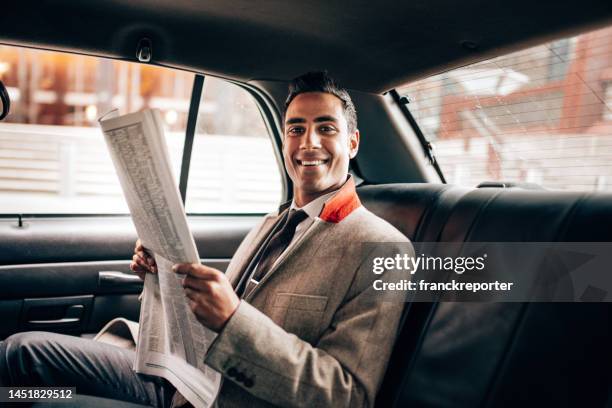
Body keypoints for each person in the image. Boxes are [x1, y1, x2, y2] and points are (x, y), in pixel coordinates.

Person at [0, 71, 412, 408]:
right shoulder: (271, 223)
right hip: (180, 377)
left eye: (326, 128)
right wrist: (163, 278)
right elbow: (204, 320)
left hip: (226, 397)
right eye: (295, 129)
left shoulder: (383, 250)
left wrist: (234, 320)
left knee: (52, 401)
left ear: (352, 142)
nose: (308, 142)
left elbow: (347, 396)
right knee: (22, 353)